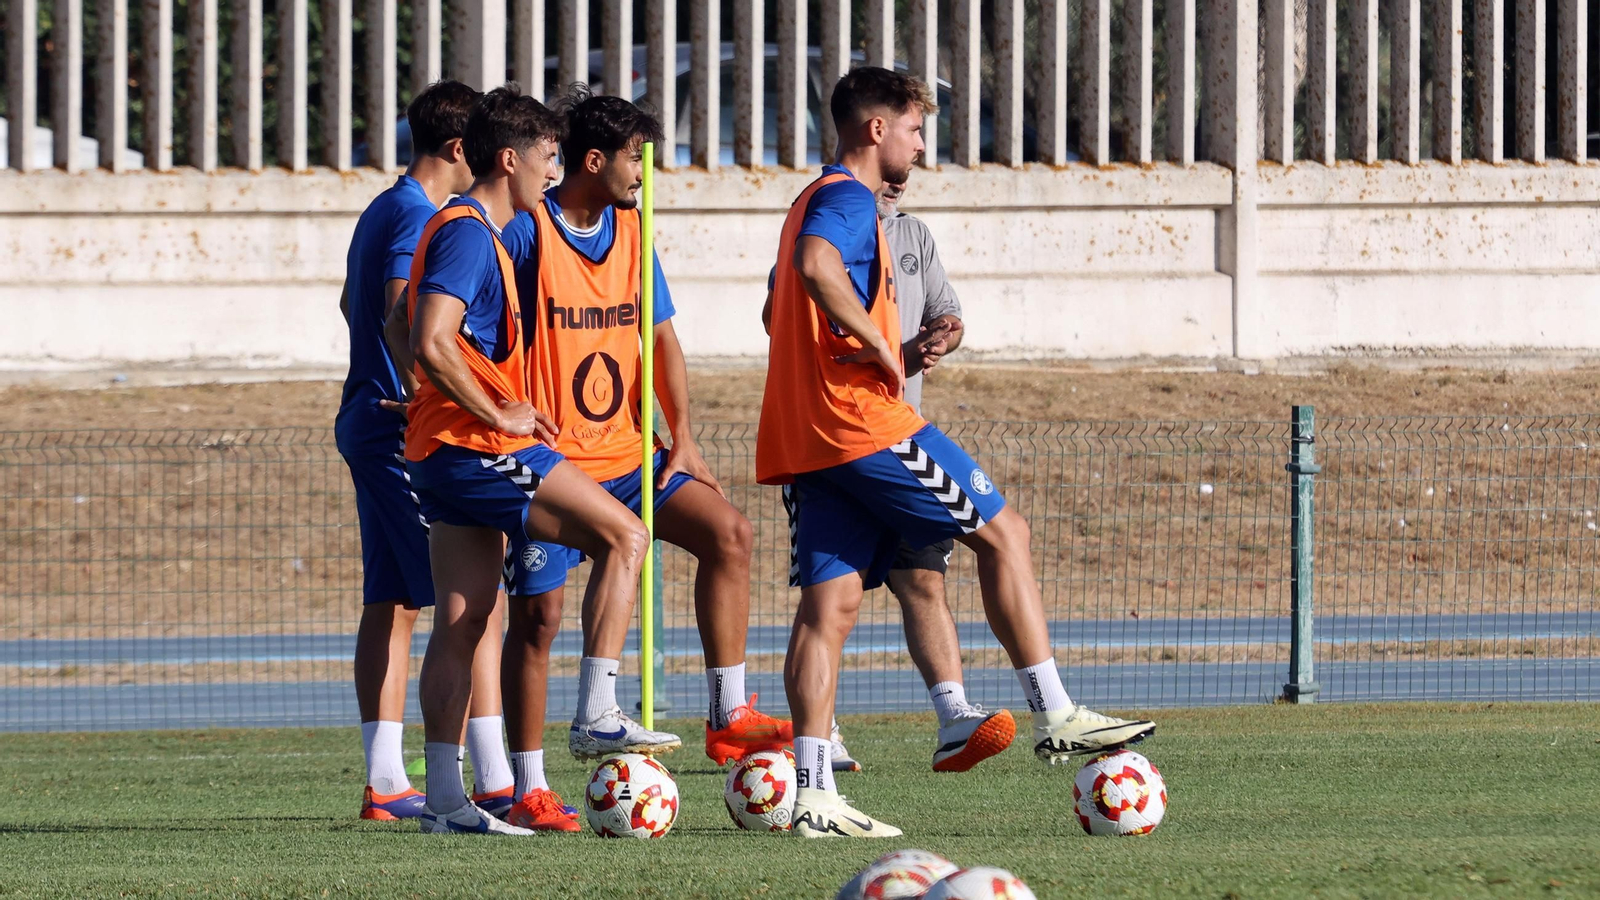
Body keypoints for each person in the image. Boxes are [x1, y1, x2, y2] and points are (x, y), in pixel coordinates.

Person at [758, 67, 1157, 839]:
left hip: (808, 435)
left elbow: (783, 309)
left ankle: (812, 796)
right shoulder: (845, 197)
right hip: (860, 424)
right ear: (877, 130)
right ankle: (1056, 713)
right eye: (914, 129)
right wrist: (877, 341)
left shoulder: (807, 199)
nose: (920, 146)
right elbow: (813, 271)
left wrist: (868, 341)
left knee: (828, 609)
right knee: (1005, 534)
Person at [492, 88, 791, 832]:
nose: (643, 174)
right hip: (553, 460)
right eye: (635, 159)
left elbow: (659, 339)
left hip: (630, 454)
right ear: (594, 161)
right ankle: (527, 784)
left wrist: (681, 434)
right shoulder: (528, 230)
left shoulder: (635, 229)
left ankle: (729, 712)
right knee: (538, 618)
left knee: (729, 533)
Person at [403, 85, 651, 836]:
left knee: (463, 619)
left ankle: (444, 801)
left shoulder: (480, 232)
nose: (556, 171)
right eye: (548, 158)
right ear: (510, 160)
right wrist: (492, 410)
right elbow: (430, 337)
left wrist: (428, 401)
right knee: (625, 536)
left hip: (447, 449)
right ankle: (598, 712)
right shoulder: (472, 233)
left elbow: (399, 323)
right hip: (478, 450)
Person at [764, 175, 1005, 776]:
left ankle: (953, 717)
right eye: (906, 140)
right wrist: (874, 342)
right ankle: (823, 738)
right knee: (830, 597)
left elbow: (948, 313)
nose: (900, 179)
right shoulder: (824, 220)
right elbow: (781, 316)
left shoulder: (914, 236)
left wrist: (939, 339)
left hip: (899, 434)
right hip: (840, 438)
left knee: (923, 578)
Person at [333, 80, 516, 822]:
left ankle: (386, 781)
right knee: (469, 599)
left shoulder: (384, 204)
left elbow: (352, 306)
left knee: (395, 600)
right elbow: (395, 307)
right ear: (456, 148)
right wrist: (419, 388)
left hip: (365, 418)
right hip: (398, 425)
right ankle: (497, 774)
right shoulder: (422, 214)